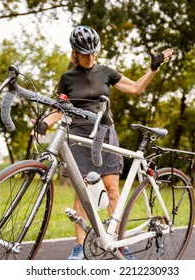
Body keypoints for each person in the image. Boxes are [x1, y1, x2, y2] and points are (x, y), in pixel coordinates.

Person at [36, 25, 173, 260]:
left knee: (112, 191)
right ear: (75, 53)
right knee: (83, 195)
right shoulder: (67, 78)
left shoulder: (105, 72)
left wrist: (153, 68)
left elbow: (136, 88)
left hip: (105, 135)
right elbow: (59, 110)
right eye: (85, 53)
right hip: (79, 138)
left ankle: (119, 245)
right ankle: (79, 248)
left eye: (93, 52)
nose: (91, 57)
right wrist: (43, 123)